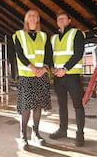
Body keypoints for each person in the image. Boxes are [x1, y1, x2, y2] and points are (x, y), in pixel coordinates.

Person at [12, 9, 52, 150]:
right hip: (26, 76)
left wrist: (44, 69)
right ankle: (23, 135)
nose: (33, 18)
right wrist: (33, 68)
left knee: (38, 106)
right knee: (26, 107)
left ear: (38, 19)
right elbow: (20, 55)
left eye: (35, 15)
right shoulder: (19, 35)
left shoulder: (44, 36)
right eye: (30, 15)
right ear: (26, 19)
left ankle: (36, 133)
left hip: (41, 75)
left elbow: (48, 55)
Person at [49, 11, 85, 147]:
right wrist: (52, 68)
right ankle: (63, 130)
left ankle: (80, 135)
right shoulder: (53, 38)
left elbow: (78, 53)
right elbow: (50, 55)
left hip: (72, 75)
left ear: (69, 20)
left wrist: (65, 69)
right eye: (58, 19)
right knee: (62, 104)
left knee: (77, 105)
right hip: (58, 76)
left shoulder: (77, 33)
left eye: (63, 18)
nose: (61, 21)